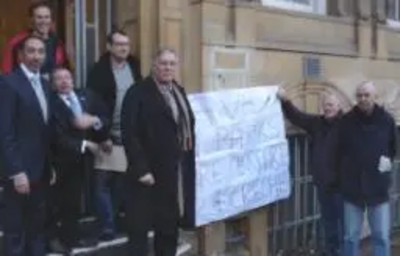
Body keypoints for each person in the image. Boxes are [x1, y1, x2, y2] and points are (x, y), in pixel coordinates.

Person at [121, 48, 196, 256]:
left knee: (168, 226)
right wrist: (141, 168)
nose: (168, 68)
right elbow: (129, 133)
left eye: (172, 63)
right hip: (146, 173)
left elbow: (186, 124)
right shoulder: (137, 92)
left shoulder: (178, 91)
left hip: (172, 171)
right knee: (139, 229)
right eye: (164, 63)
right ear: (154, 65)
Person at [0, 35, 54, 256]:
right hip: (19, 172)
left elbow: (45, 130)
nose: (36, 56)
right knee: (16, 230)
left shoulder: (45, 83)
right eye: (31, 51)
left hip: (41, 170)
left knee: (37, 226)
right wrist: (16, 171)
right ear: (21, 55)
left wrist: (50, 166)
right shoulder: (8, 82)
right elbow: (5, 131)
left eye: (41, 51)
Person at [47, 67, 110, 253]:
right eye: (58, 79)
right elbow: (56, 137)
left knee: (75, 201)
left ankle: (71, 238)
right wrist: (85, 144)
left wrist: (95, 122)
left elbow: (104, 116)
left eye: (67, 77)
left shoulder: (87, 95)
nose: (64, 81)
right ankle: (54, 239)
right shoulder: (51, 103)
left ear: (73, 80)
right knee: (59, 203)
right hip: (60, 161)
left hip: (88, 159)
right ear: (53, 84)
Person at [86, 29, 142, 240]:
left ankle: (115, 220)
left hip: (129, 135)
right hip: (107, 135)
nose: (124, 48)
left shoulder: (134, 66)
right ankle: (107, 225)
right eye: (119, 44)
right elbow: (92, 105)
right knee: (101, 185)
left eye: (126, 44)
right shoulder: (98, 71)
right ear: (109, 46)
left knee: (121, 183)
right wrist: (101, 136)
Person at [278, 88, 343, 256]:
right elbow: (297, 117)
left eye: (330, 105)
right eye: (324, 105)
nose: (327, 108)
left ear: (338, 106)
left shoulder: (347, 125)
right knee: (328, 223)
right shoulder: (317, 123)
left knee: (344, 225)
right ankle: (330, 252)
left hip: (343, 187)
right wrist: (285, 100)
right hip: (323, 185)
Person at [335, 81, 397, 256]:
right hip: (352, 188)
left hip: (378, 188)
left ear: (375, 96)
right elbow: (339, 150)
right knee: (350, 237)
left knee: (381, 236)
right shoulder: (346, 121)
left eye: (367, 95)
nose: (363, 99)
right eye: (360, 95)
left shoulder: (386, 120)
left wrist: (384, 163)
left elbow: (392, 149)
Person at [1, 1, 68, 76]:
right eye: (39, 17)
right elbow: (6, 72)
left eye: (47, 17)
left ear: (51, 20)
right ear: (31, 20)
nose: (43, 21)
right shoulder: (16, 42)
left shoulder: (58, 43)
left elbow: (62, 70)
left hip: (51, 86)